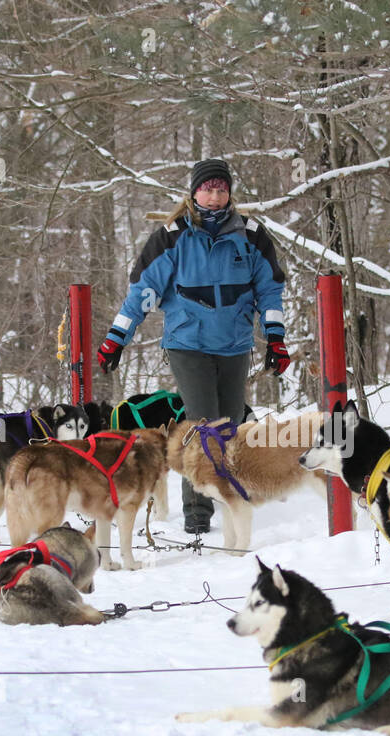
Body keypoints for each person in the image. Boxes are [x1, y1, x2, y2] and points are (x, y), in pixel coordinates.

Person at [98, 158, 290, 535]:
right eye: (208, 189)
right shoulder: (173, 236)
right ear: (194, 192)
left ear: (230, 193)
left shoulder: (251, 235)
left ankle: (227, 498)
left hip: (234, 342)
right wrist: (115, 339)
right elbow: (143, 291)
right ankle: (197, 511)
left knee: (230, 425)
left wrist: (276, 338)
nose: (215, 196)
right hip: (188, 343)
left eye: (221, 189)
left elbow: (269, 290)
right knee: (203, 423)